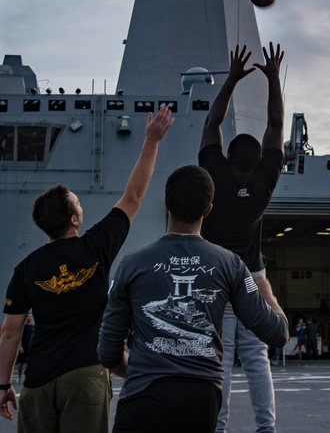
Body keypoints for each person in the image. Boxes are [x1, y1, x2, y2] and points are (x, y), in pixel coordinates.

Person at [0, 106, 174, 431]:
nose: (81, 206)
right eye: (78, 203)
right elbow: (133, 196)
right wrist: (152, 140)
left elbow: (10, 330)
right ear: (74, 219)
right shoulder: (96, 246)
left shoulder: (25, 268)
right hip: (87, 374)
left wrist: (3, 385)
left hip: (37, 381)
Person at [97, 164, 288, 433]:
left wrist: (141, 371)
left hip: (141, 399)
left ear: (166, 203)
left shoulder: (131, 264)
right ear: (209, 209)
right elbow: (278, 333)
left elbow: (107, 351)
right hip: (201, 401)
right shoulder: (231, 265)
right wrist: (266, 291)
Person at [198, 43, 285, 433]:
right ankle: (266, 427)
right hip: (251, 277)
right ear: (260, 161)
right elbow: (276, 127)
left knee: (222, 355)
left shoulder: (215, 175)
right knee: (257, 356)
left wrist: (232, 78)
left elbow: (211, 124)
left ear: (227, 156)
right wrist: (272, 80)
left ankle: (218, 426)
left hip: (217, 277)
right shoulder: (265, 185)